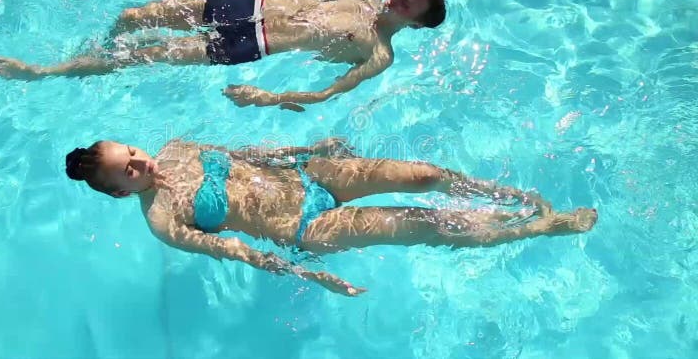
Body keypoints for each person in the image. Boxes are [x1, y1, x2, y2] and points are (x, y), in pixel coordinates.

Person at [64, 137, 598, 296]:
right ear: (117, 193)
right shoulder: (163, 220)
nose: (141, 162)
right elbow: (234, 250)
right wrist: (308, 274)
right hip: (306, 228)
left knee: (423, 175)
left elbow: (247, 154)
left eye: (131, 151)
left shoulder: (178, 148)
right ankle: (540, 226)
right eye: (127, 172)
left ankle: (507, 196)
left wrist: (306, 148)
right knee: (431, 224)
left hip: (310, 174)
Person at [0, 0, 447, 111]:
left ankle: (45, 72)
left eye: (406, 4)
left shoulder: (378, 54)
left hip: (255, 44)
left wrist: (268, 97)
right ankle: (99, 46)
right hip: (251, 5)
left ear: (419, 24)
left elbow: (327, 92)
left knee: (144, 58)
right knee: (134, 17)